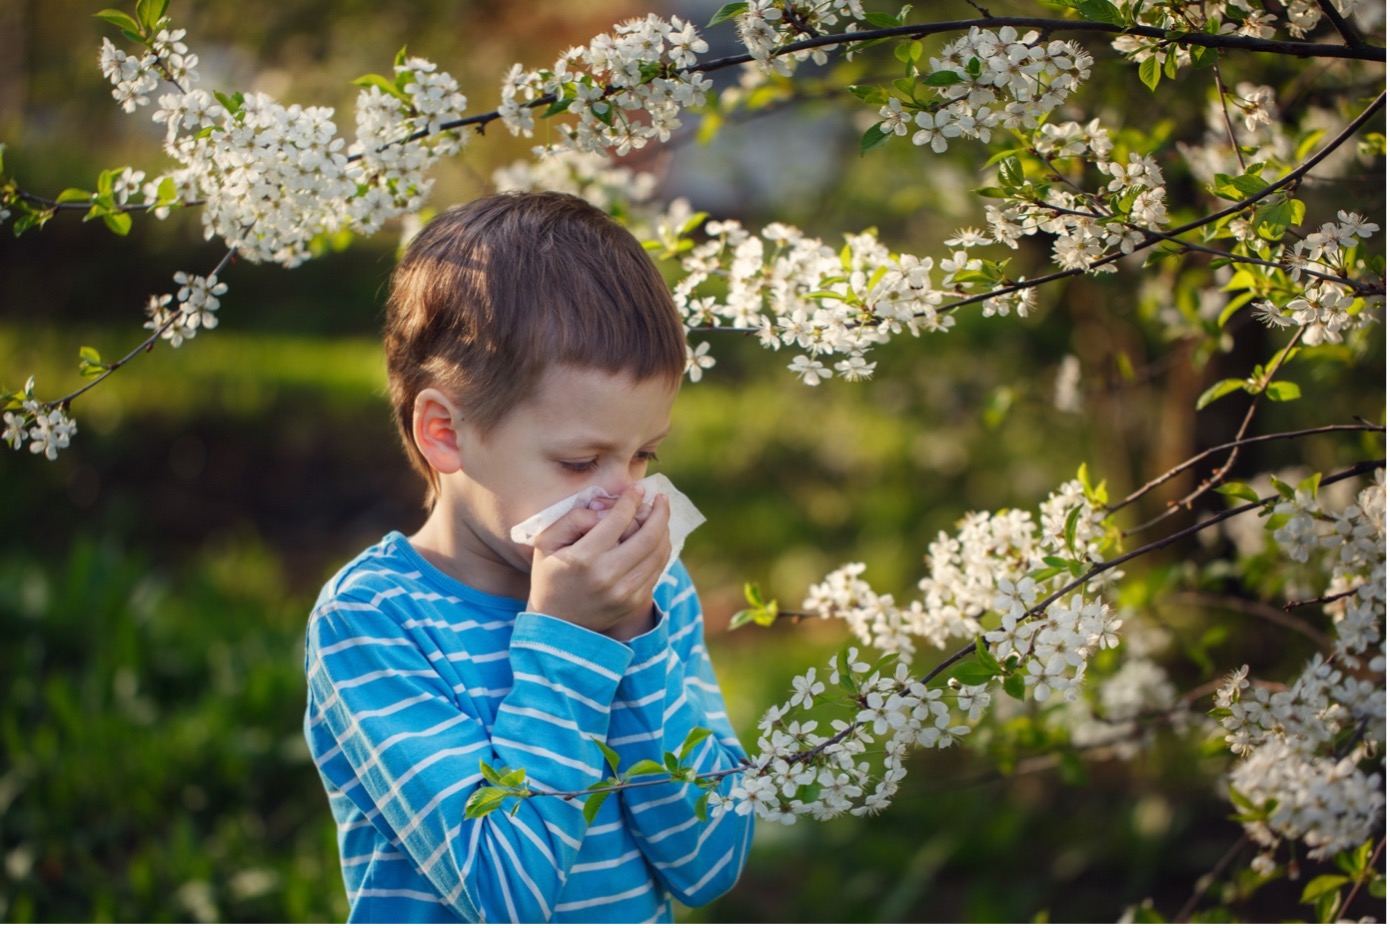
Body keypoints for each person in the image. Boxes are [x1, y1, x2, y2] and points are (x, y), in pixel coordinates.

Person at [302, 190, 754, 923]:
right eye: (581, 463)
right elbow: (505, 893)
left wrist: (634, 637)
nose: (623, 498)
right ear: (444, 432)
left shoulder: (652, 596)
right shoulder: (374, 622)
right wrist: (569, 642)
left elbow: (710, 863)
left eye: (643, 456)